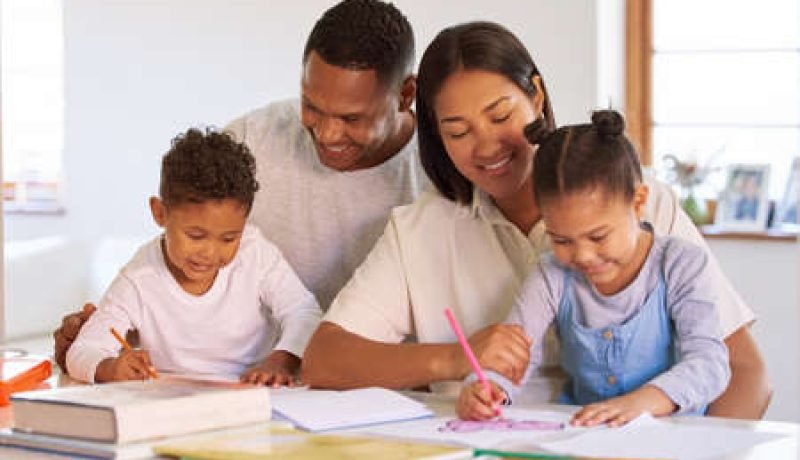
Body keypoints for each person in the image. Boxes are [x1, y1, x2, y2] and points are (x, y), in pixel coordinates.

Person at [303, 21, 770, 419]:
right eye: (459, 132)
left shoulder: (634, 204)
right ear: (436, 136)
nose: (487, 146)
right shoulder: (420, 231)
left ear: (537, 95)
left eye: (500, 115)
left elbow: (745, 373)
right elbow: (324, 361)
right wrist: (455, 360)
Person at [53, 0, 423, 371]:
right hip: (261, 388)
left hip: (385, 384)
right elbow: (179, 263)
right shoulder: (252, 139)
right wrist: (104, 349)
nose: (326, 134)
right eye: (311, 106)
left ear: (406, 95)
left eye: (351, 118)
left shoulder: (435, 175)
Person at [457, 111, 730, 426]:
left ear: (638, 202)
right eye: (561, 239)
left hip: (670, 435)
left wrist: (639, 403)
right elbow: (515, 352)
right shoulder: (552, 274)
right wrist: (488, 387)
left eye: (598, 237)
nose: (583, 256)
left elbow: (709, 364)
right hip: (584, 435)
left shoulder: (680, 263)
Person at [66, 128, 322, 384]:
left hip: (254, 389)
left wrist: (281, 361)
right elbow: (83, 350)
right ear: (160, 213)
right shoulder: (139, 278)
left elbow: (304, 312)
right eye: (196, 236)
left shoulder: (255, 253)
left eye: (228, 238)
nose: (210, 253)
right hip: (172, 397)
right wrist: (109, 368)